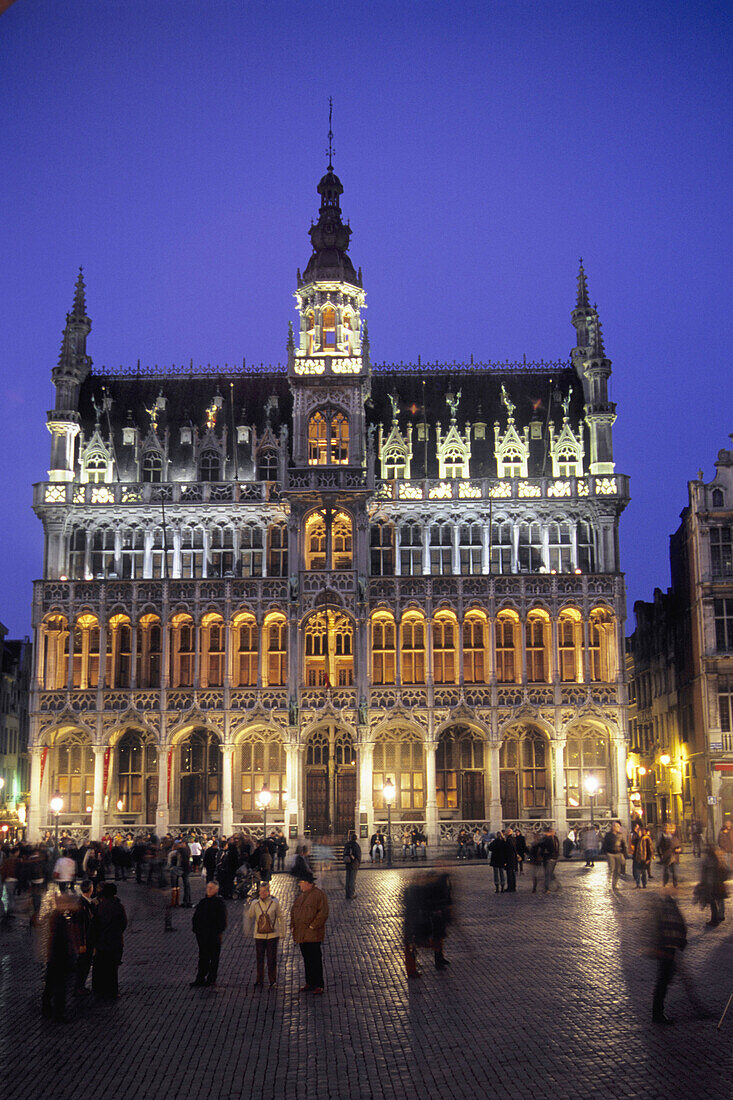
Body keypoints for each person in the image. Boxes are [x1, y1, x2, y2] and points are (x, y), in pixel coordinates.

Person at [403, 868, 452, 977]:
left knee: (420, 943)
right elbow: (415, 906)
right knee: (413, 945)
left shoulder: (421, 889)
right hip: (415, 921)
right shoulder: (414, 890)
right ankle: (411, 970)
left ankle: (414, 968)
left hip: (418, 921)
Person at [41, 892, 80, 1021]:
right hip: (59, 957)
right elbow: (59, 939)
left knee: (51, 985)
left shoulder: (58, 916)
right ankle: (58, 1013)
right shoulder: (58, 917)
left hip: (55, 958)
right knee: (58, 986)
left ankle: (47, 1009)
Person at [290, 872, 329, 994]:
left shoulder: (319, 895)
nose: (300, 885)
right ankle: (310, 982)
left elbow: (323, 913)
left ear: (308, 884)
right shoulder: (301, 896)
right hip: (301, 934)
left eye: (301, 883)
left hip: (313, 934)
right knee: (307, 959)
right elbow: (294, 911)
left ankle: (318, 984)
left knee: (315, 959)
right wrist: (292, 926)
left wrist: (313, 926)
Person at [92, 883, 127, 1000]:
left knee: (101, 966)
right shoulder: (118, 906)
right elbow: (123, 923)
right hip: (115, 940)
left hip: (102, 941)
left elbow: (95, 925)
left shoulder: (100, 907)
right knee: (113, 968)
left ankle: (101, 990)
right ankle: (112, 991)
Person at [246, 880, 284, 988]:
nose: (262, 893)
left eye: (264, 891)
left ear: (268, 892)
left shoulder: (275, 903)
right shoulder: (255, 903)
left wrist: (282, 932)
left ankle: (272, 980)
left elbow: (280, 917)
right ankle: (259, 979)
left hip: (272, 935)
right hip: (259, 935)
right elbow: (250, 915)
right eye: (260, 891)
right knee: (259, 958)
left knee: (272, 958)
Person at [191, 881, 228, 987]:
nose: (209, 889)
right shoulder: (203, 902)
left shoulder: (219, 903)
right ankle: (200, 978)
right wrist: (196, 930)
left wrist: (217, 931)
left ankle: (211, 978)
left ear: (216, 890)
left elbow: (222, 920)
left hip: (213, 935)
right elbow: (196, 917)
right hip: (202, 935)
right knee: (203, 957)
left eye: (212, 888)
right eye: (208, 887)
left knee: (214, 958)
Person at [693, 844, 729, 927]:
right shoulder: (719, 859)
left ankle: (714, 919)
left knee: (713, 902)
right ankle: (720, 916)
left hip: (712, 884)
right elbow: (725, 871)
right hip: (719, 883)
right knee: (720, 899)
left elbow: (706, 873)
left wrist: (704, 883)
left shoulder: (709, 860)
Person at [74, 879, 96, 994]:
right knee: (83, 964)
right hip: (86, 940)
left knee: (86, 964)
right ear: (90, 889)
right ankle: (79, 987)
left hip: (88, 939)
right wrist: (82, 943)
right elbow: (81, 925)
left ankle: (80, 986)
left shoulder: (88, 902)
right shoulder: (83, 905)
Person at [602, 821, 627, 892]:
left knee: (618, 870)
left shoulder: (620, 835)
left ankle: (614, 884)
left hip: (618, 853)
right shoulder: (608, 835)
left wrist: (624, 854)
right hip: (610, 853)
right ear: (613, 827)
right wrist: (605, 852)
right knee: (612, 868)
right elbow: (605, 844)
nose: (618, 828)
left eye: (619, 827)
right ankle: (609, 882)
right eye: (617, 826)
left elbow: (623, 844)